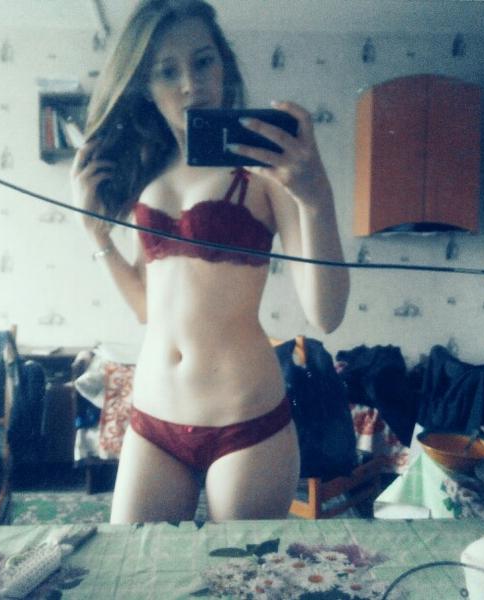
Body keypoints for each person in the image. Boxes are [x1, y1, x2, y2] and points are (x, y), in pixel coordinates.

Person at [71, 0, 349, 523]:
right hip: (153, 419)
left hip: (245, 420)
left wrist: (315, 197)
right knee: (138, 564)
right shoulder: (148, 172)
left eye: (202, 62)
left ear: (223, 65)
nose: (189, 85)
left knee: (237, 568)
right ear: (144, 85)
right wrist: (96, 234)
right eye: (166, 71)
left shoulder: (266, 171)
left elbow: (326, 313)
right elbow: (148, 308)